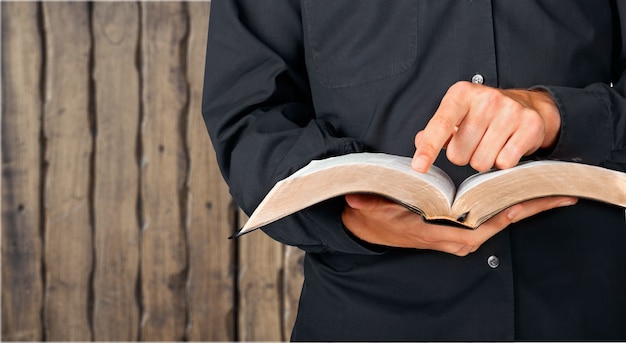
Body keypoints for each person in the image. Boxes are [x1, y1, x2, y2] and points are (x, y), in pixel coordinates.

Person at [202, 1, 626, 340]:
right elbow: (248, 117)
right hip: (368, 318)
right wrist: (349, 216)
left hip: (587, 314)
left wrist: (556, 114)